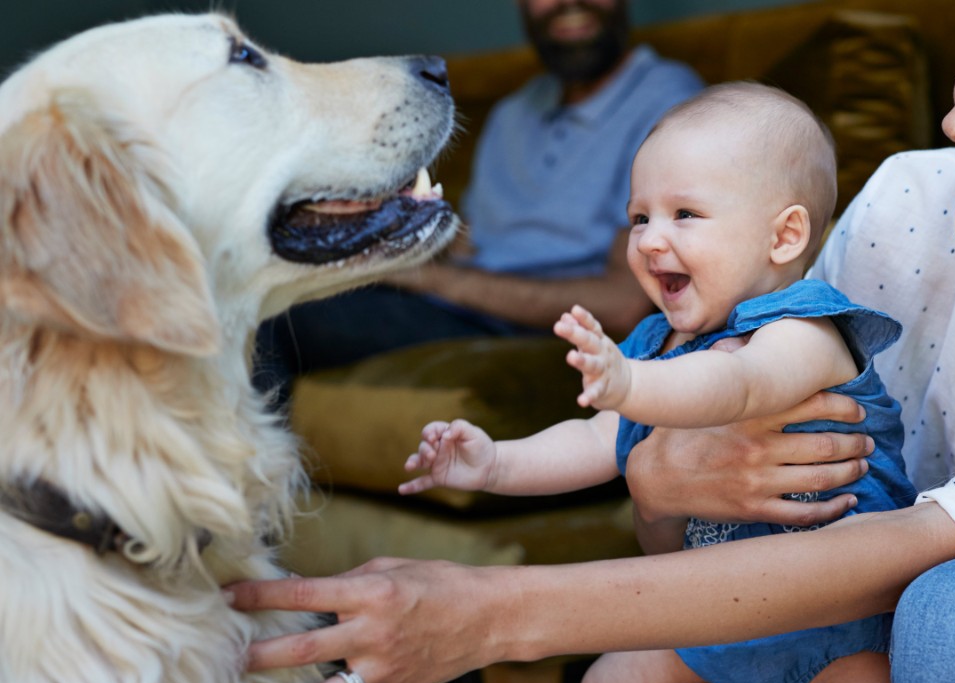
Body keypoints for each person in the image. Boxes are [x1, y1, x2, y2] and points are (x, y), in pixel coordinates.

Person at [229, 1, 955, 683]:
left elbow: (880, 545)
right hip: (838, 606)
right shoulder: (913, 206)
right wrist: (642, 473)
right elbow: (685, 501)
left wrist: (487, 614)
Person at [398, 83, 914, 683]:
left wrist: (633, 385)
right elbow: (594, 440)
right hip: (714, 613)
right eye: (639, 217)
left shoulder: (805, 331)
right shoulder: (658, 343)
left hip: (837, 627)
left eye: (684, 215)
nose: (647, 239)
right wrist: (493, 465)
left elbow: (736, 385)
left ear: (783, 238)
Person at [252, 0, 703, 403]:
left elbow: (623, 304)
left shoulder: (668, 100)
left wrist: (427, 279)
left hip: (527, 331)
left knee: (274, 319)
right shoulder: (512, 113)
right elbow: (468, 243)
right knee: (267, 289)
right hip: (450, 307)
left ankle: (241, 491)